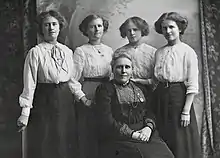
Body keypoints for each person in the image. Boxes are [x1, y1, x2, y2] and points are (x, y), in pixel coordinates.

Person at [16, 10, 84, 158]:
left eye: (54, 24)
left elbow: (72, 79)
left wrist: (82, 98)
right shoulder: (35, 52)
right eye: (46, 25)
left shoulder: (67, 51)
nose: (51, 28)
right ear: (41, 29)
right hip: (44, 98)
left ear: (59, 27)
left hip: (65, 99)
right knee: (46, 139)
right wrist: (25, 113)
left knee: (65, 138)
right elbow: (30, 82)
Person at [94, 53, 174, 158]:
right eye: (119, 67)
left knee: (167, 154)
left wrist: (148, 128)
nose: (123, 71)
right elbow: (106, 120)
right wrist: (133, 134)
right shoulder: (104, 89)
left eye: (127, 67)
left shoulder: (141, 88)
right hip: (119, 136)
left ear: (132, 70)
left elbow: (149, 112)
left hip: (145, 133)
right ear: (112, 69)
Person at [152, 12, 202, 158]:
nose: (167, 31)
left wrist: (186, 111)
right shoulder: (159, 53)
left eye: (171, 27)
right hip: (161, 96)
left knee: (180, 138)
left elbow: (192, 84)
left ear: (180, 28)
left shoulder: (188, 52)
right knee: (163, 134)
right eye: (164, 28)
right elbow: (155, 79)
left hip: (178, 96)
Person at [72, 14, 113, 158]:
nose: (96, 30)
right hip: (89, 91)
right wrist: (83, 99)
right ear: (86, 30)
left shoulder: (109, 50)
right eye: (92, 26)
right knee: (88, 133)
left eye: (99, 26)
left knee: (106, 131)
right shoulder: (81, 51)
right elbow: (73, 79)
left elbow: (113, 75)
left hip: (107, 92)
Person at [114, 16, 156, 86]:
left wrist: (143, 82)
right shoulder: (119, 52)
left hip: (148, 88)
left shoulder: (153, 52)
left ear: (142, 30)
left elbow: (156, 79)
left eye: (135, 30)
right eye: (128, 30)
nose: (132, 33)